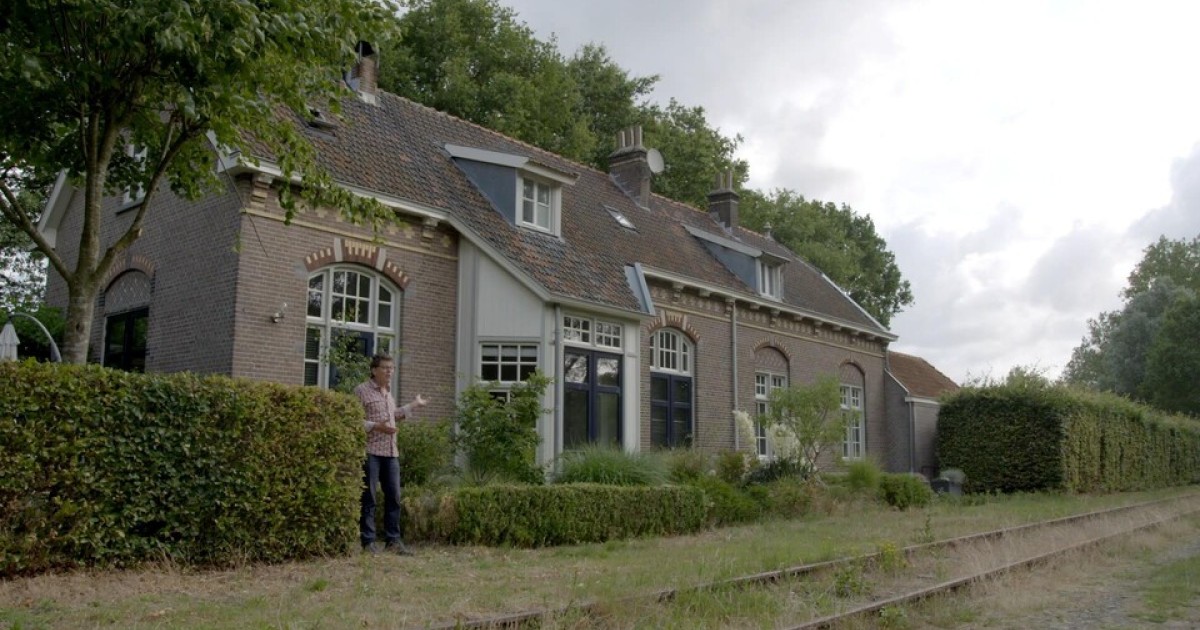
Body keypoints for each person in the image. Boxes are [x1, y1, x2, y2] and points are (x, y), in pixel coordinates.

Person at [354, 353, 427, 555]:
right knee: (369, 498)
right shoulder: (361, 391)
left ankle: (393, 541)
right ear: (374, 370)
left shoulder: (387, 392)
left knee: (394, 497)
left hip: (391, 452)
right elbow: (354, 420)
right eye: (385, 368)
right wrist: (376, 426)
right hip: (371, 452)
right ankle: (368, 542)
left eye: (391, 368)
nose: (389, 372)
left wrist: (414, 405)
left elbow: (393, 416)